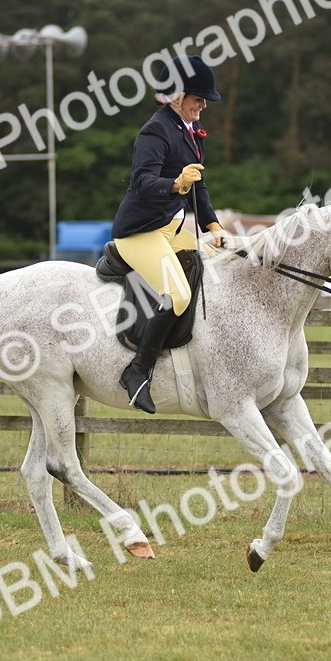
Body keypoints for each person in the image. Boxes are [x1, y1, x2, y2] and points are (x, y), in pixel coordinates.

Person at [111, 55, 229, 414]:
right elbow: (143, 182)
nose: (203, 104)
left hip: (171, 227)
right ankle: (137, 372)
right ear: (176, 96)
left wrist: (213, 226)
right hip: (139, 232)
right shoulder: (155, 130)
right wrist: (177, 184)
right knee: (177, 294)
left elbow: (200, 186)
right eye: (197, 97)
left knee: (214, 272)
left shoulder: (190, 133)